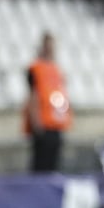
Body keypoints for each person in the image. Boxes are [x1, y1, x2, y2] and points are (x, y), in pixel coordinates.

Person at [24, 34, 73, 173]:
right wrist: (36, 120)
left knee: (53, 164)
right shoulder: (36, 68)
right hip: (43, 124)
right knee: (41, 165)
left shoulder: (56, 69)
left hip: (56, 123)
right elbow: (34, 94)